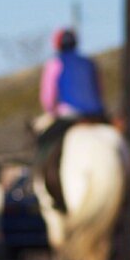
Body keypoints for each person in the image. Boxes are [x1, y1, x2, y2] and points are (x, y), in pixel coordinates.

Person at [36, 27, 109, 213]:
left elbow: (48, 98)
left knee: (43, 145)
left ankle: (51, 194)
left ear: (57, 45)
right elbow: (100, 91)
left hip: (69, 115)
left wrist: (51, 111)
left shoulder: (55, 64)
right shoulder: (90, 63)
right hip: (97, 115)